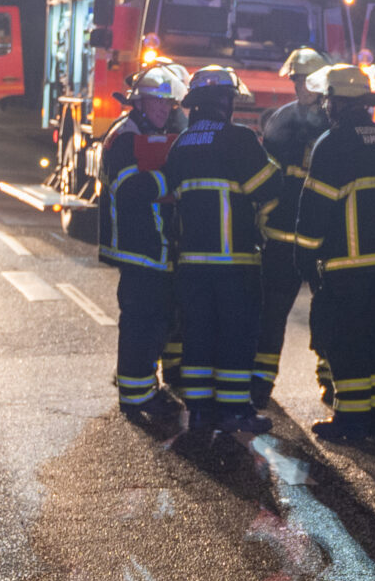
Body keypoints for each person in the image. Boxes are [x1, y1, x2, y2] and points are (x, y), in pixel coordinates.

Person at [293, 61, 375, 441]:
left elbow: (314, 211)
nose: (325, 107)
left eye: (328, 100)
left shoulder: (333, 145)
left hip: (347, 266)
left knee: (347, 342)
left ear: (338, 103)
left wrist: (305, 258)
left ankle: (351, 419)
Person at [162, 65, 276, 457]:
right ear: (226, 102)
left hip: (191, 264)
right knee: (235, 337)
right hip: (235, 263)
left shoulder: (180, 144)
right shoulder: (240, 140)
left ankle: (198, 412)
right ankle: (232, 412)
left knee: (198, 337)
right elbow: (269, 189)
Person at [98, 61, 188, 435]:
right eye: (157, 103)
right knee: (142, 321)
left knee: (159, 318)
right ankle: (136, 396)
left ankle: (143, 383)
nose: (164, 110)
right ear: (140, 102)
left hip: (156, 247)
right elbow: (130, 189)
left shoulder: (154, 132)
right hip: (138, 246)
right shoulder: (124, 136)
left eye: (169, 105)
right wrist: (171, 178)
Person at [253, 46, 331, 409]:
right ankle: (259, 384)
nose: (299, 85)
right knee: (270, 315)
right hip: (282, 238)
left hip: (324, 241)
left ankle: (331, 382)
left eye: (305, 79)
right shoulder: (279, 121)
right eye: (296, 79)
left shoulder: (337, 124)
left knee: (330, 313)